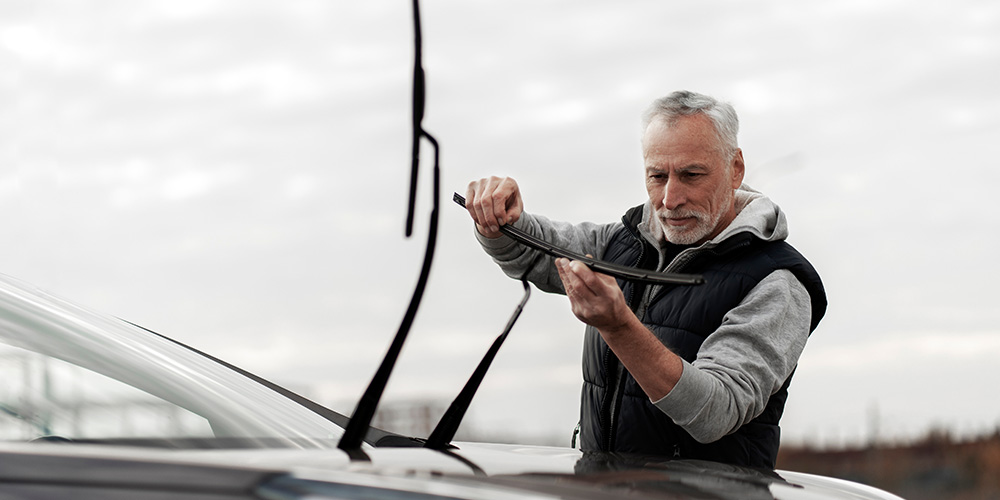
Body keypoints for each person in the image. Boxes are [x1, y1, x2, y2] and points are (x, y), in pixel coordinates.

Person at [464, 90, 826, 469]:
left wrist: (619, 327)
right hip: (604, 491)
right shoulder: (623, 243)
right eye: (657, 176)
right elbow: (536, 251)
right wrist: (499, 220)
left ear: (735, 168)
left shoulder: (776, 281)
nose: (670, 198)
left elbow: (715, 411)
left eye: (691, 175)